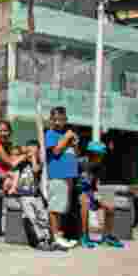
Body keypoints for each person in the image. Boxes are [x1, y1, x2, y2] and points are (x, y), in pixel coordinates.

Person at [12, 140, 68, 251]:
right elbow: (13, 164)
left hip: (36, 195)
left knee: (43, 217)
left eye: (34, 150)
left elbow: (35, 170)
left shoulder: (39, 162)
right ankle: (41, 240)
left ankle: (47, 239)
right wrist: (24, 155)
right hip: (24, 195)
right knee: (32, 218)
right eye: (29, 149)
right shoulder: (22, 162)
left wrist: (33, 158)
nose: (31, 152)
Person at [77, 141, 125, 249]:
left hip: (92, 191)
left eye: (102, 154)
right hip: (79, 191)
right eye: (99, 154)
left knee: (110, 204)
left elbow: (98, 184)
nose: (101, 157)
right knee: (85, 201)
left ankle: (107, 236)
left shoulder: (100, 166)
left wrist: (100, 197)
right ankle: (84, 236)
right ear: (92, 153)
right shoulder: (80, 162)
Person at [44, 107, 80, 250]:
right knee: (55, 207)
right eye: (56, 119)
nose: (59, 122)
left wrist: (74, 143)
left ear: (66, 119)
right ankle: (55, 238)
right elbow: (56, 151)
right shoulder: (51, 133)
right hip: (57, 174)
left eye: (62, 119)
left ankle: (60, 235)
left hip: (68, 176)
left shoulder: (66, 135)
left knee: (62, 207)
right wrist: (67, 137)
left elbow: (76, 154)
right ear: (51, 120)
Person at [0, 121, 26, 194]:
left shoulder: (7, 144)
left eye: (5, 131)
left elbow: (13, 156)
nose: (3, 133)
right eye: (0, 131)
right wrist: (23, 156)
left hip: (4, 174)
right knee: (16, 171)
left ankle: (12, 188)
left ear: (10, 132)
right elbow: (11, 164)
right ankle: (12, 188)